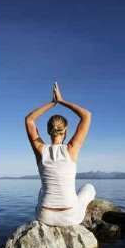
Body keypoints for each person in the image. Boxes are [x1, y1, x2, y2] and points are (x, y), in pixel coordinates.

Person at [25, 82, 96, 226]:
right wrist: (61, 101)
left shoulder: (40, 149)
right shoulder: (72, 148)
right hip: (70, 216)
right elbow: (87, 115)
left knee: (42, 190)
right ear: (65, 131)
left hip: (44, 216)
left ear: (48, 130)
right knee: (89, 188)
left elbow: (29, 120)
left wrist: (52, 103)